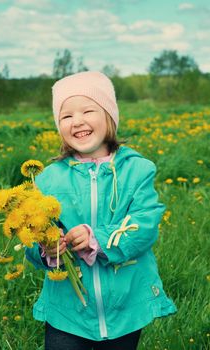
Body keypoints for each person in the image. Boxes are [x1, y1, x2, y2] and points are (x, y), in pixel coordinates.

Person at [25, 71, 177, 350]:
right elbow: (32, 238)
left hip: (125, 307)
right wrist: (47, 249)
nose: (77, 121)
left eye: (88, 110)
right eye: (66, 115)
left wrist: (96, 238)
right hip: (67, 312)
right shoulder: (48, 179)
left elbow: (144, 226)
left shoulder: (137, 170)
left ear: (109, 115)